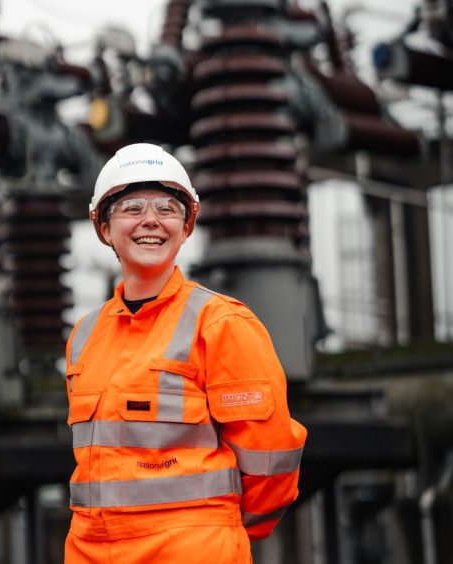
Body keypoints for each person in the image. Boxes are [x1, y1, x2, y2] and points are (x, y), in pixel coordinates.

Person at [64, 143, 307, 563]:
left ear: (187, 226)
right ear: (104, 228)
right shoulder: (84, 336)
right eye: (132, 208)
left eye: (167, 208)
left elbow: (271, 462)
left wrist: (214, 526)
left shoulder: (221, 324)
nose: (151, 221)